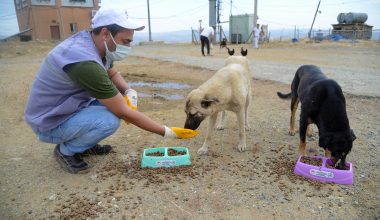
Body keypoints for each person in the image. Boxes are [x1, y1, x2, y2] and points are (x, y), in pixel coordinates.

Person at [24, 8, 197, 174]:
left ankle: (84, 143)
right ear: (106, 33)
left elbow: (111, 72)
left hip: (66, 107)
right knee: (109, 120)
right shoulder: (85, 62)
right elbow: (125, 113)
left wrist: (129, 90)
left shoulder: (93, 43)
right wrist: (167, 132)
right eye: (126, 41)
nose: (128, 46)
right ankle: (67, 151)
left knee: (114, 104)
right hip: (50, 122)